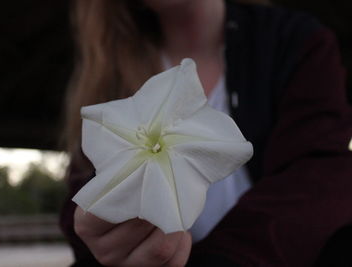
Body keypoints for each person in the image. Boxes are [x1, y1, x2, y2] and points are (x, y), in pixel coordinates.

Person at [60, 0, 352, 266]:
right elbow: (85, 202)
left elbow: (318, 178)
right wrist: (100, 248)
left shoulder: (293, 42)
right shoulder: (107, 75)